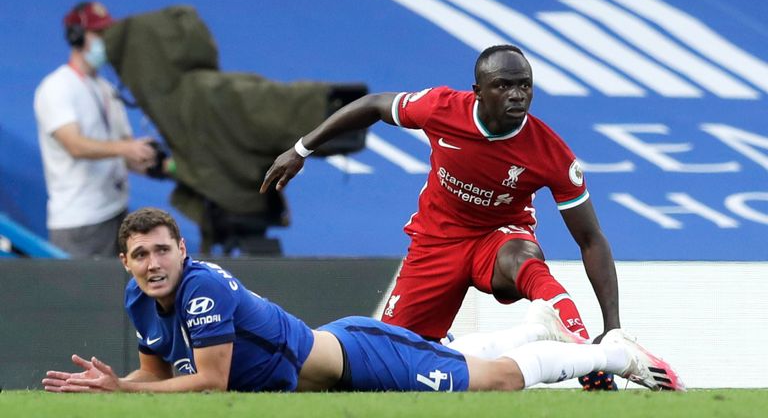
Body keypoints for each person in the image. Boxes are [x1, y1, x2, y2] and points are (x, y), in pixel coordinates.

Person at [261, 45, 621, 388]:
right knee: (386, 367)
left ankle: (586, 349)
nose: (517, 94)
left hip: (497, 237)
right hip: (436, 242)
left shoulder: (550, 152)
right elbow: (373, 105)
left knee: (523, 259)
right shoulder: (441, 108)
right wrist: (301, 149)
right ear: (478, 91)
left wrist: (613, 327)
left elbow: (591, 239)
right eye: (503, 85)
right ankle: (445, 347)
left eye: (524, 85)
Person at [41, 208, 684, 393]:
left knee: (494, 385)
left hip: (356, 361)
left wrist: (124, 394)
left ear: (183, 249)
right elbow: (155, 378)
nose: (154, 265)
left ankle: (612, 354)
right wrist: (110, 386)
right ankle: (540, 326)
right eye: (141, 256)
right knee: (446, 354)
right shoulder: (139, 301)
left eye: (163, 250)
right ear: (124, 262)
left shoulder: (203, 286)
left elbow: (209, 383)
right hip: (332, 371)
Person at [33, 1, 159, 258]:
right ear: (77, 37)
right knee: (81, 297)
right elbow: (75, 145)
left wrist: (160, 163)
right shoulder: (56, 87)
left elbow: (125, 151)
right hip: (80, 221)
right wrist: (127, 148)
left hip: (116, 213)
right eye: (98, 34)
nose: (105, 41)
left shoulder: (105, 89)